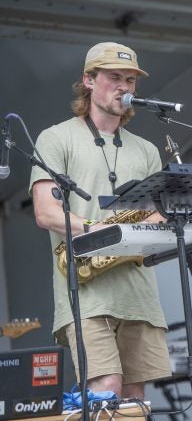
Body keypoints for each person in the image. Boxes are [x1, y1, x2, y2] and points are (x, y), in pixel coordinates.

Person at [29, 42, 171, 398]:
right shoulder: (55, 138)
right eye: (113, 77)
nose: (124, 86)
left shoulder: (147, 150)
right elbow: (45, 212)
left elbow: (158, 213)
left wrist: (151, 224)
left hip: (138, 293)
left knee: (136, 399)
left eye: (130, 80)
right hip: (85, 289)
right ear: (88, 81)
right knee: (106, 391)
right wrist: (103, 231)